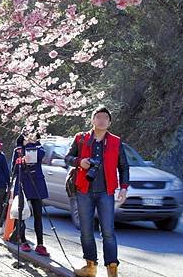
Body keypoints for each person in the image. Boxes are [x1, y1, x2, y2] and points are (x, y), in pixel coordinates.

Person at [65, 106, 130, 277]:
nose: (101, 120)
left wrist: (124, 188)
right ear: (92, 120)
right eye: (98, 117)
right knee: (86, 231)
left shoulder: (116, 141)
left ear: (109, 122)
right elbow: (68, 158)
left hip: (106, 192)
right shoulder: (81, 138)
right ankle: (90, 267)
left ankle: (112, 269)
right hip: (84, 191)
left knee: (108, 231)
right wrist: (80, 162)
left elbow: (123, 166)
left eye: (105, 118)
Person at [9, 131, 50, 257]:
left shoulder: (38, 148)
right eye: (28, 135)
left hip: (36, 183)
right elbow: (13, 171)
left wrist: (34, 143)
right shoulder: (18, 150)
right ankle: (23, 240)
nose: (31, 137)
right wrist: (20, 160)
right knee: (21, 214)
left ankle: (40, 244)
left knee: (38, 214)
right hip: (23, 183)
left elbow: (42, 154)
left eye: (33, 135)